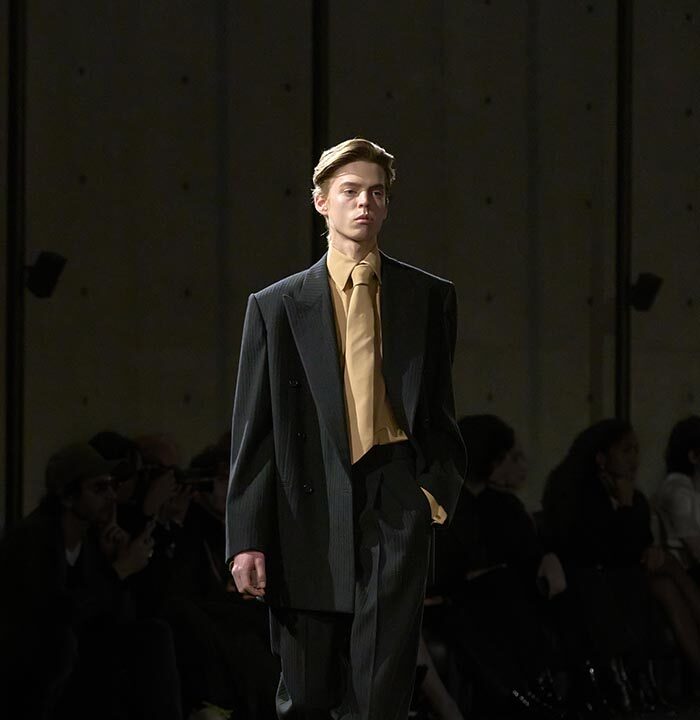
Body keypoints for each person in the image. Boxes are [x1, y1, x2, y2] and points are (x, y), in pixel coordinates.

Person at [225, 137, 466, 720]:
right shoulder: (277, 305)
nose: (365, 203)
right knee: (306, 692)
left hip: (393, 494)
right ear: (321, 202)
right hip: (304, 497)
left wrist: (431, 494)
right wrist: (246, 536)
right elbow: (254, 429)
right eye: (350, 191)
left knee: (379, 693)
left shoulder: (427, 296)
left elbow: (437, 407)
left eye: (376, 193)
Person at [656, 415, 700, 577]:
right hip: (685, 574)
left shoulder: (689, 490)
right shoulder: (677, 492)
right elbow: (696, 550)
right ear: (694, 456)